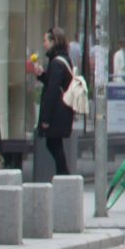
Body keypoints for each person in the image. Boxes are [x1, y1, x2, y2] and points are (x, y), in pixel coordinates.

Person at [29, 28, 78, 178]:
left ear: (53, 42)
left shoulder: (57, 63)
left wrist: (45, 119)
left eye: (46, 41)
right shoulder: (62, 59)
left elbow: (52, 91)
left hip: (58, 111)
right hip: (62, 110)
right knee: (54, 144)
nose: (44, 44)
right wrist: (42, 75)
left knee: (54, 144)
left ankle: (65, 176)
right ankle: (64, 176)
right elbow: (53, 84)